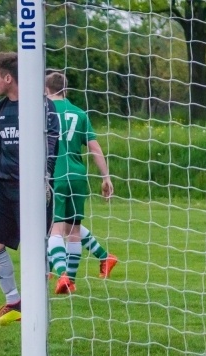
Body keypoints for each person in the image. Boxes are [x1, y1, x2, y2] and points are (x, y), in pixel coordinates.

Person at [0, 52, 59, 326]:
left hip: (32, 188)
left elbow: (52, 142)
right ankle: (15, 302)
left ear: (8, 78)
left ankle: (38, 310)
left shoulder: (41, 106)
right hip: (4, 185)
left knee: (35, 251)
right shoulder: (0, 109)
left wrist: (44, 177)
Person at [44, 71, 116, 295]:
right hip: (77, 175)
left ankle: (62, 273)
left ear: (46, 90)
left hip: (54, 174)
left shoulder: (44, 111)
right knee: (72, 229)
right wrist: (106, 177)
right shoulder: (79, 113)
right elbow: (94, 148)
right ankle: (70, 281)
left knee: (53, 229)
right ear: (66, 89)